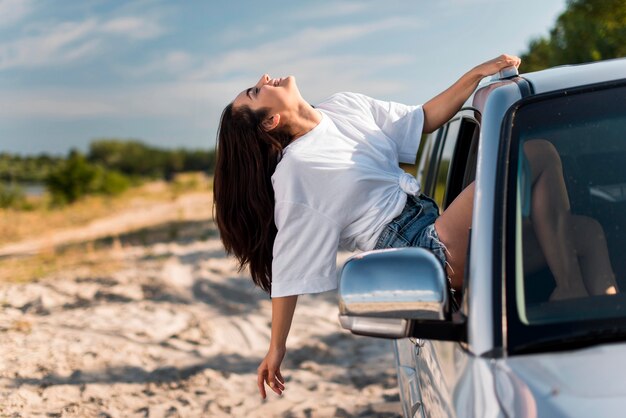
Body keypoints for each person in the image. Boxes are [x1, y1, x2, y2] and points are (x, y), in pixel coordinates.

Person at [212, 54, 615, 399]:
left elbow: (422, 119)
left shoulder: (342, 106)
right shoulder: (296, 172)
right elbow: (289, 264)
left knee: (589, 235)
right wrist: (276, 348)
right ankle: (572, 289)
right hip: (422, 248)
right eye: (254, 92)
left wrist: (475, 75)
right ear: (270, 122)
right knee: (537, 152)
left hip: (433, 222)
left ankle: (601, 342)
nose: (264, 80)